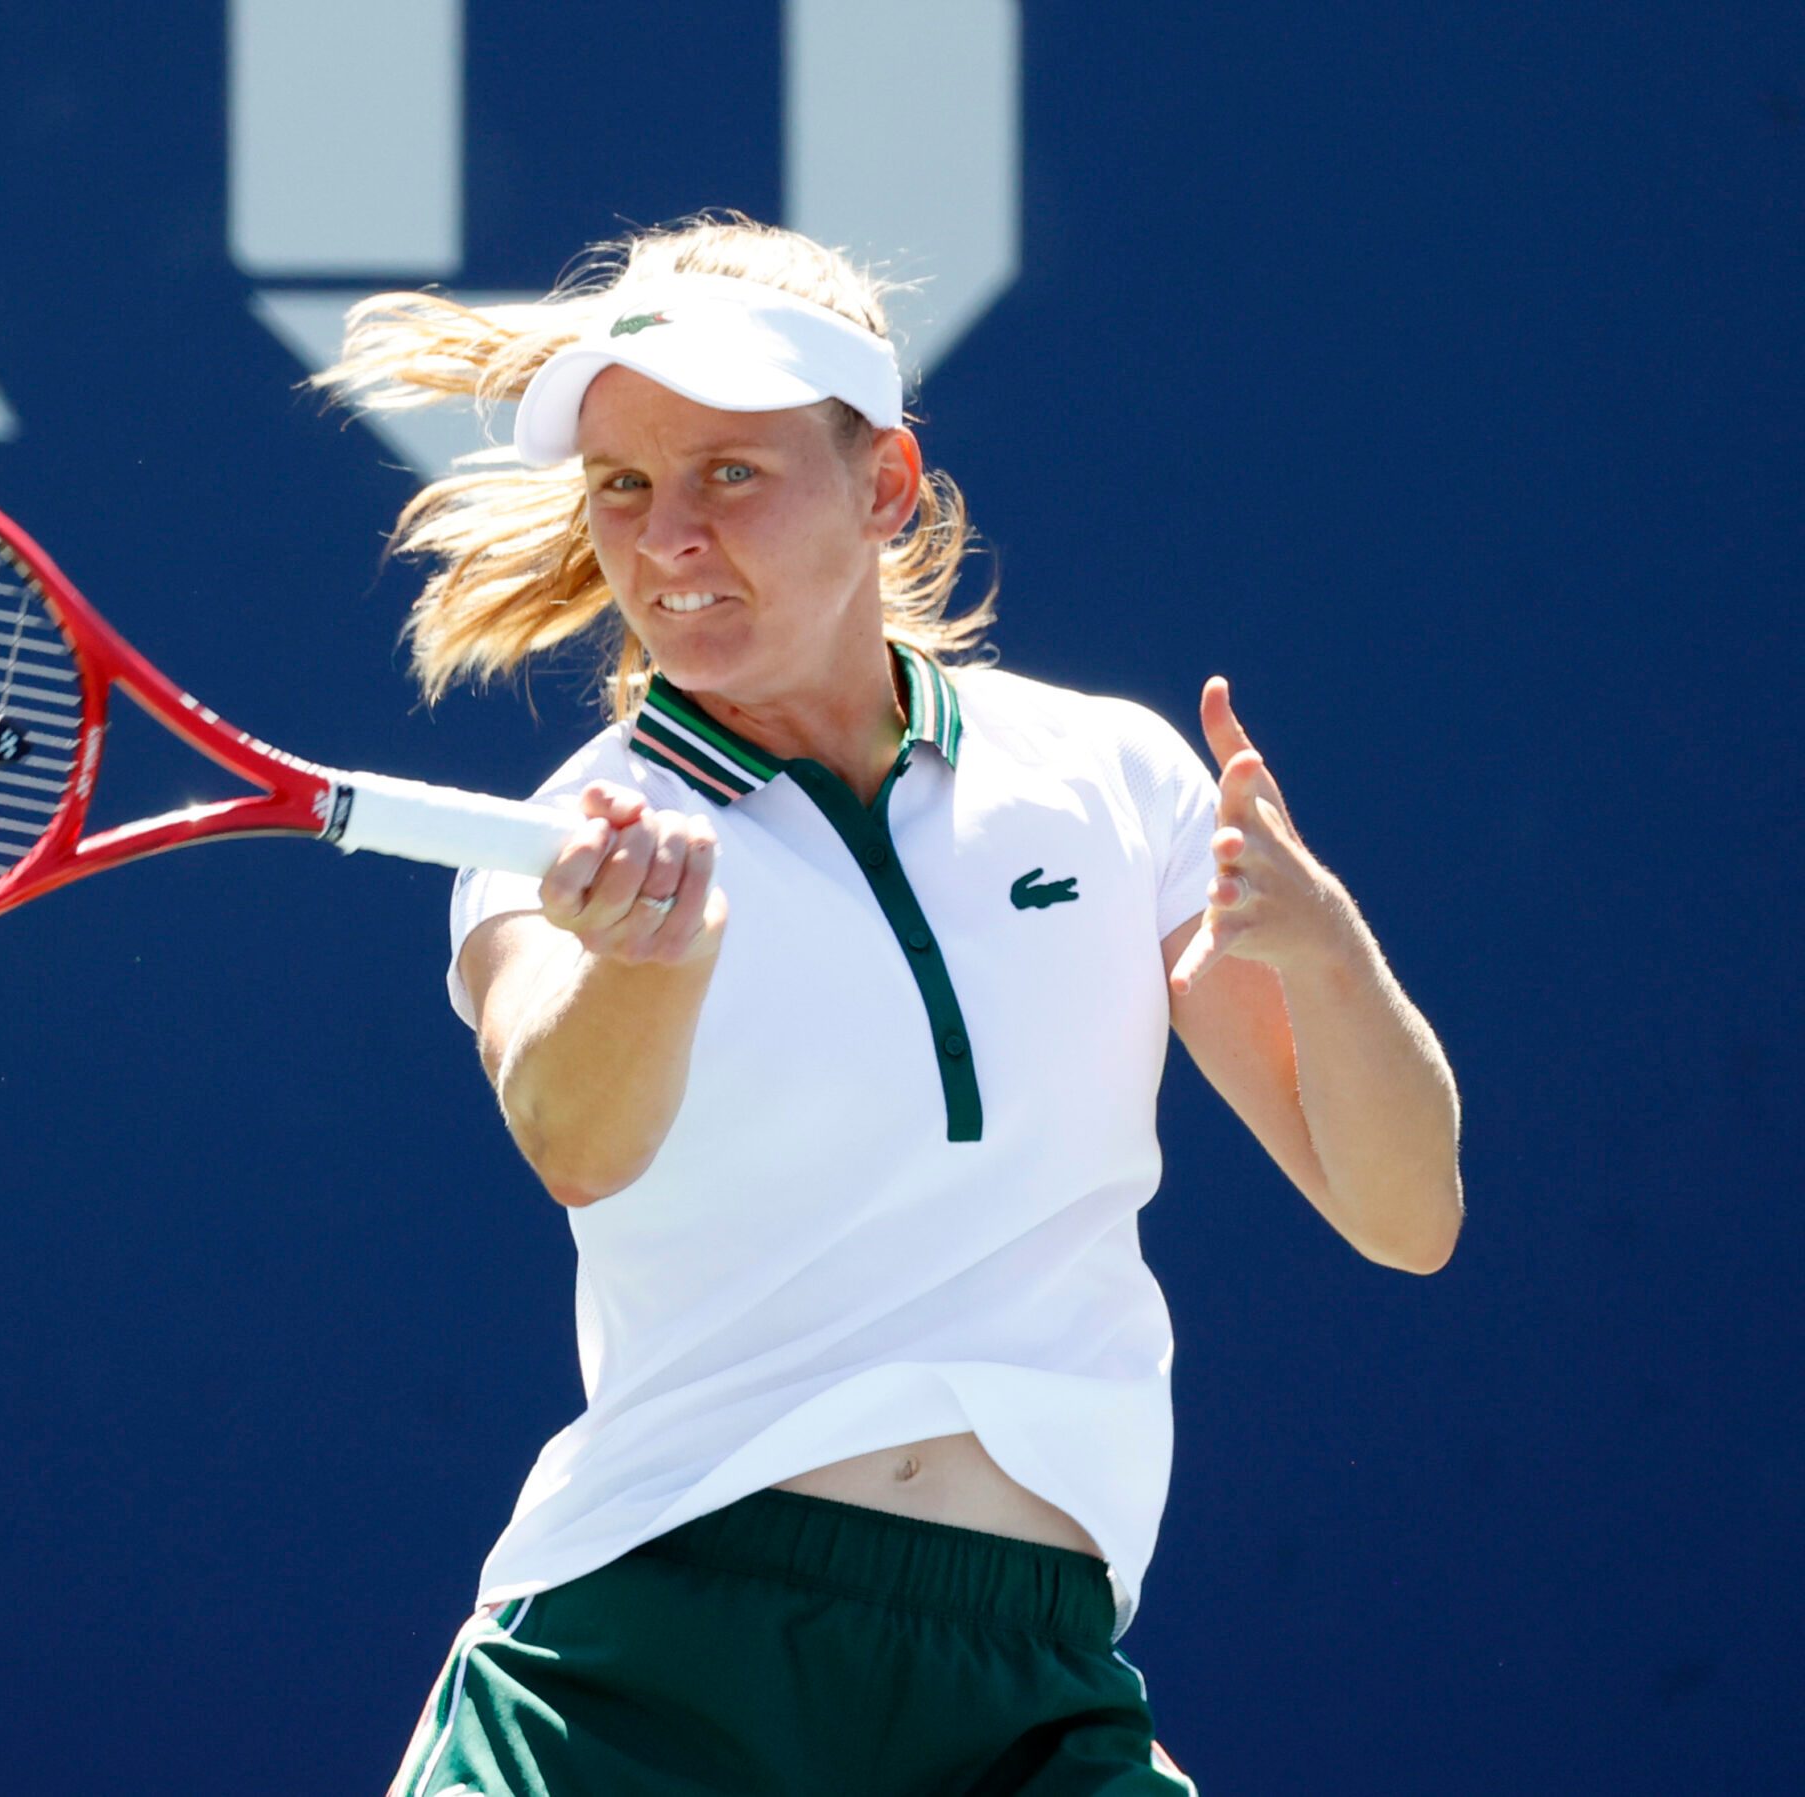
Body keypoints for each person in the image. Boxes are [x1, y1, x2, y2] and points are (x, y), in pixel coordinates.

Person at [317, 215, 1463, 1797]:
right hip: (651, 1662)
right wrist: (651, 960)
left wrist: (1331, 953)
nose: (667, 541)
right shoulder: (560, 844)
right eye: (625, 487)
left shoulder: (1117, 779)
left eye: (730, 472)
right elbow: (571, 1133)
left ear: (887, 485)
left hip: (1028, 1688)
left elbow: (1407, 1212)